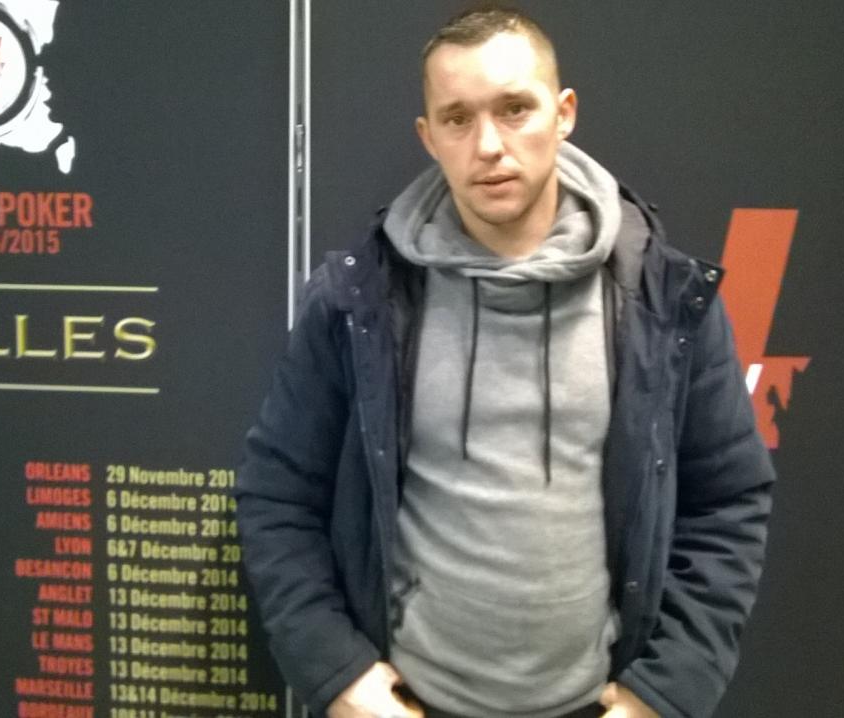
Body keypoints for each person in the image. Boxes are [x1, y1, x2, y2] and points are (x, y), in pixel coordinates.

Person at [235, 7, 773, 718]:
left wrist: (665, 693)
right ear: (428, 137)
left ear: (564, 113)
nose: (488, 145)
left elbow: (727, 503)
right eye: (457, 119)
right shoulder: (359, 300)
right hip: (408, 704)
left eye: (515, 108)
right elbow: (278, 495)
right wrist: (337, 675)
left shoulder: (662, 298)